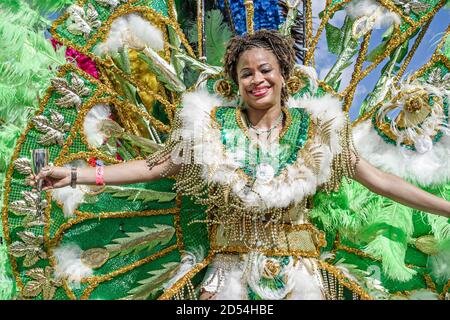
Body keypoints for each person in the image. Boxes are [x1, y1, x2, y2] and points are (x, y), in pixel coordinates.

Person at [30, 30, 450, 300]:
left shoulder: (319, 131)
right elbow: (154, 166)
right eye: (245, 73)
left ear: (285, 75)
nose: (257, 80)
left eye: (265, 70)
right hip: (227, 273)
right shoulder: (208, 130)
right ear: (234, 82)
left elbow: (380, 181)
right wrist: (73, 174)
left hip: (302, 274)